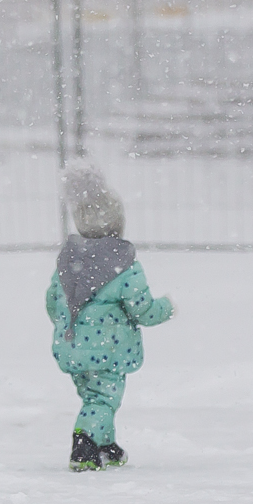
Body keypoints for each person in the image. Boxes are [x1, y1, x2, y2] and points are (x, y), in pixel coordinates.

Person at [46, 162, 173, 471]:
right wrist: (166, 308)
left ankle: (105, 445)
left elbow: (53, 301)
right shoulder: (124, 265)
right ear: (118, 224)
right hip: (108, 349)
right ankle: (84, 443)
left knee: (94, 396)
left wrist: (70, 326)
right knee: (104, 399)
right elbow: (141, 308)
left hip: (73, 346)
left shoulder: (68, 261)